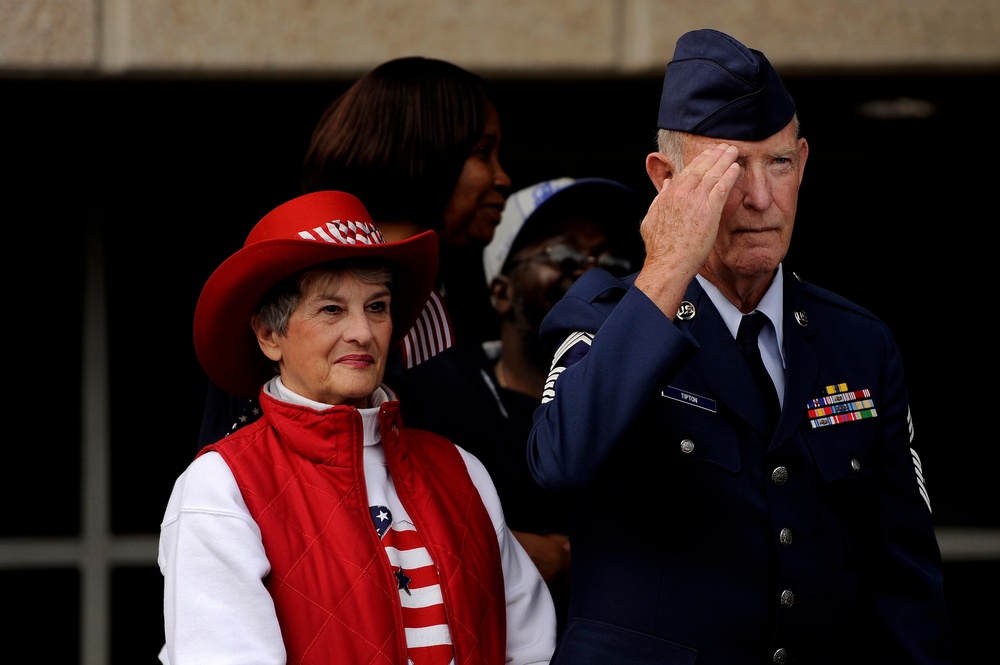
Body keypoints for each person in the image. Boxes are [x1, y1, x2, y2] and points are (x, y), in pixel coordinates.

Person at [525, 28, 953, 664]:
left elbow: (903, 577)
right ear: (665, 179)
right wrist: (667, 265)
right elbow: (559, 465)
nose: (760, 197)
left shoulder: (857, 342)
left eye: (778, 163)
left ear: (802, 164)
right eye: (727, 169)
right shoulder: (605, 317)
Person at [159, 190, 556, 664]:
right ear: (269, 336)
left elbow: (532, 650)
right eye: (331, 309)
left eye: (377, 306)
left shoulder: (462, 470)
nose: (363, 332)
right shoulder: (221, 487)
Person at [199, 55, 511, 446]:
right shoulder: (281, 304)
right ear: (421, 147)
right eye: (483, 152)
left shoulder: (452, 301)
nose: (503, 178)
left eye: (378, 306)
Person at [398, 177, 646, 637]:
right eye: (565, 256)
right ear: (501, 291)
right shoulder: (435, 394)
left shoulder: (657, 396)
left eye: (613, 263)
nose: (592, 276)